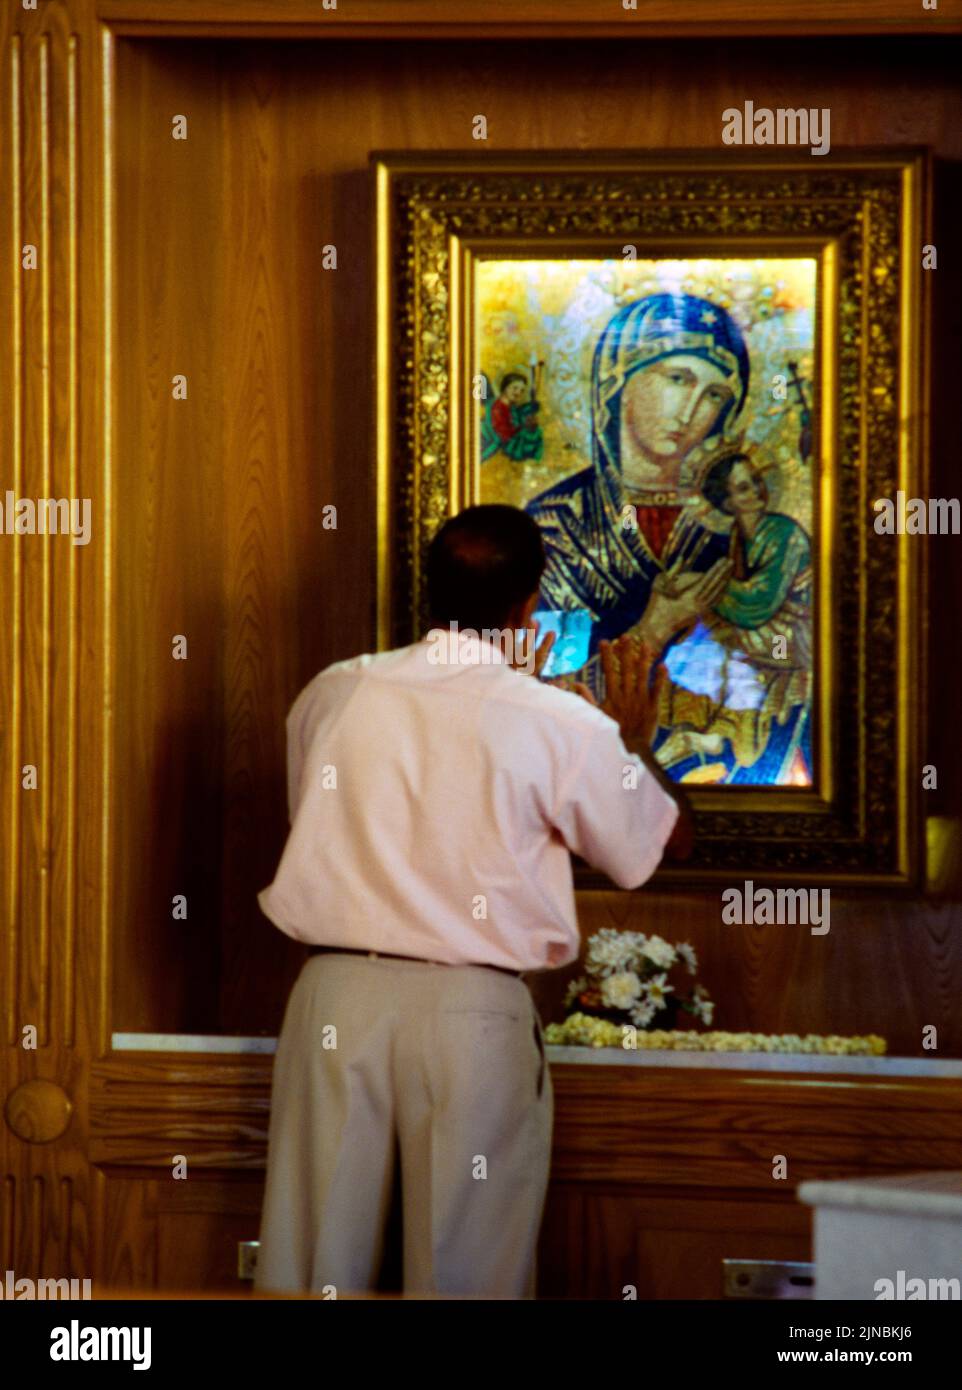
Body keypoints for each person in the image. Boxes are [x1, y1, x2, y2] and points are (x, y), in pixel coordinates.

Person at [253, 504, 691, 1299]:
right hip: (471, 1012)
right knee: (468, 1271)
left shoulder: (335, 692)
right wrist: (629, 743)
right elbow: (655, 851)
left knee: (311, 1261)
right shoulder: (562, 723)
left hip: (335, 998)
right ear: (531, 604)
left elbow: (310, 820)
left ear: (430, 590)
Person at [525, 292, 747, 693]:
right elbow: (543, 696)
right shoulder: (555, 524)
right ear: (619, 383)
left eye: (715, 396)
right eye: (678, 379)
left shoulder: (734, 526)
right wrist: (655, 627)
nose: (690, 410)